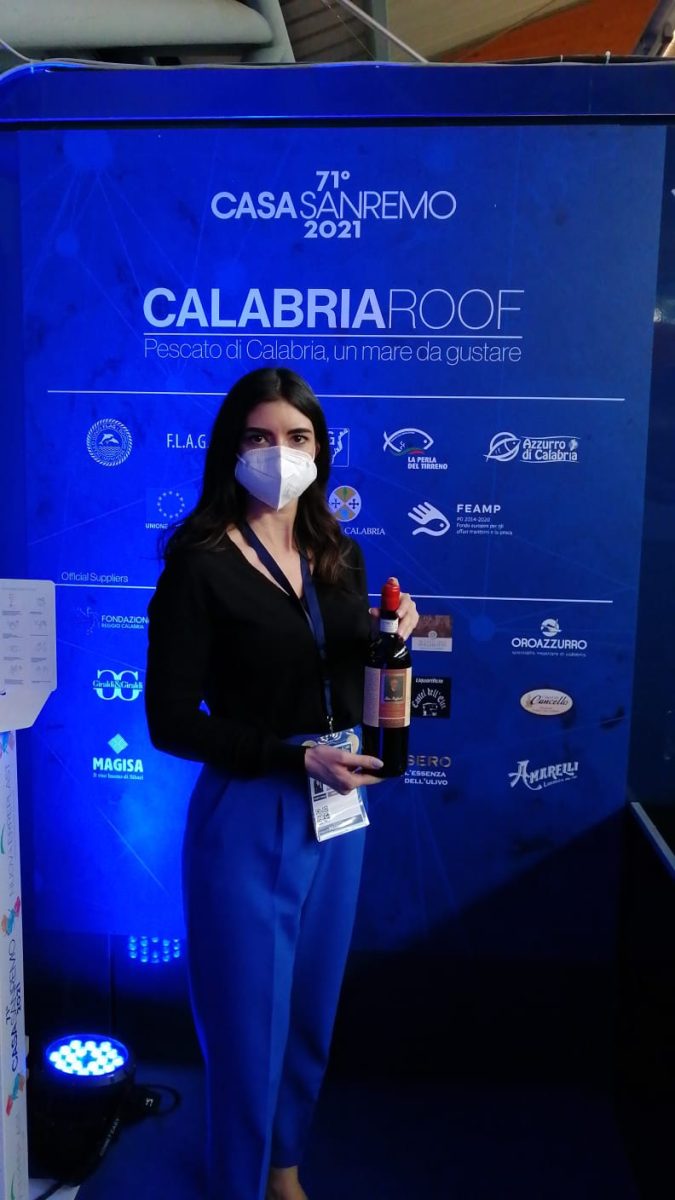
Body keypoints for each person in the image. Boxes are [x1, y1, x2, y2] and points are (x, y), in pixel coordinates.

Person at [144, 367, 417, 1200]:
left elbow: (343, 679)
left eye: (297, 438)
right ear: (231, 450)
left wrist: (392, 639)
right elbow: (168, 722)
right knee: (246, 1024)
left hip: (338, 806)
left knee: (308, 1010)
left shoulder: (339, 556)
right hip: (252, 802)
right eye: (259, 438)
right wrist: (292, 757)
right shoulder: (198, 565)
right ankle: (238, 1181)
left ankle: (283, 1165)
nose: (280, 453)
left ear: (320, 450)